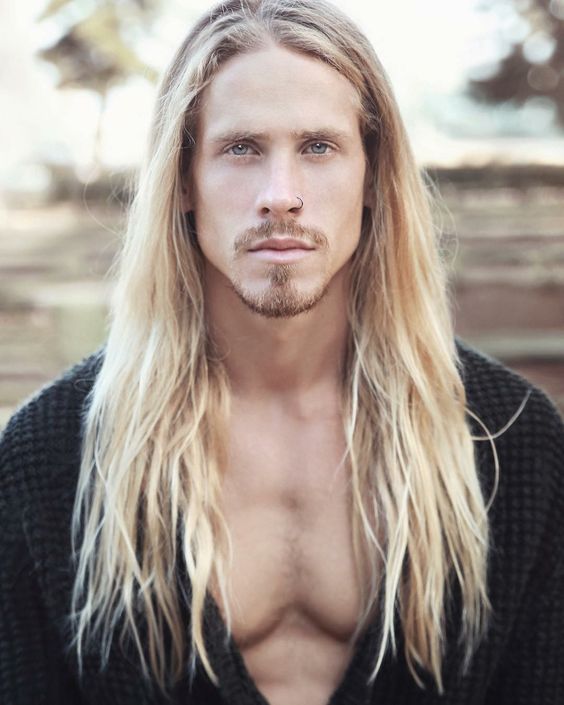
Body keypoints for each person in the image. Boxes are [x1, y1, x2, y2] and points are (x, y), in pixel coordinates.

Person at [1, 0, 563, 703]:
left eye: (319, 147)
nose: (281, 195)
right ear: (182, 180)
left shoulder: (512, 441)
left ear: (371, 177)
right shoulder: (53, 454)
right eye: (241, 149)